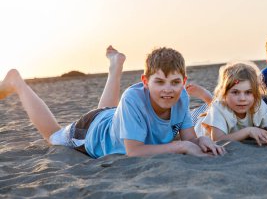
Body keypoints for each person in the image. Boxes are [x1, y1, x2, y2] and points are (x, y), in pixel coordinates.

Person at [0, 46, 225, 158]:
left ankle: (115, 65)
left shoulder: (181, 97)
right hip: (90, 131)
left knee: (106, 111)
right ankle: (17, 82)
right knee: (52, 136)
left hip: (113, 118)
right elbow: (134, 151)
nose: (168, 89)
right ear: (145, 81)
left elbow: (189, 137)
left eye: (175, 82)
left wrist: (201, 140)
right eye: (160, 82)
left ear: (184, 81)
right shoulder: (132, 98)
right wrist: (180, 146)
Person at [190, 61, 267, 146]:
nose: (242, 99)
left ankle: (209, 100)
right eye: (235, 92)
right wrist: (248, 131)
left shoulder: (257, 104)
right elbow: (217, 140)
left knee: (213, 106)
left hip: (217, 109)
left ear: (256, 94)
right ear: (224, 93)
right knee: (211, 107)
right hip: (196, 122)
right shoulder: (219, 107)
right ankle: (207, 97)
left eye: (248, 92)